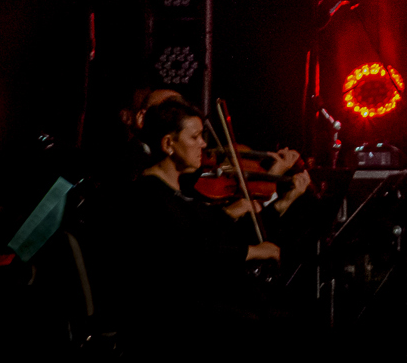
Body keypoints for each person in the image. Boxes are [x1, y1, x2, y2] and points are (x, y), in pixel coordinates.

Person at [106, 98, 292, 347]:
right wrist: (253, 251)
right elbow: (193, 251)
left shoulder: (175, 193)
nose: (204, 144)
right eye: (194, 137)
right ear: (168, 144)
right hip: (170, 315)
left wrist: (280, 204)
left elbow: (213, 229)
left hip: (191, 302)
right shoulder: (149, 195)